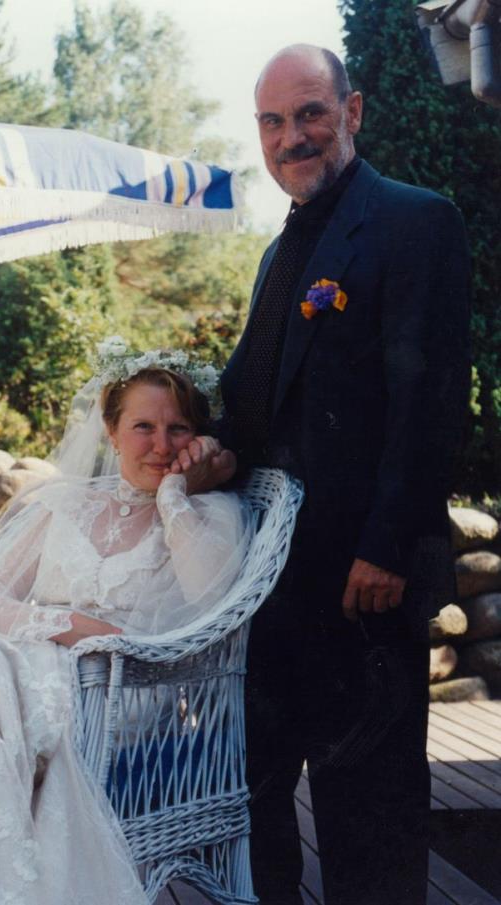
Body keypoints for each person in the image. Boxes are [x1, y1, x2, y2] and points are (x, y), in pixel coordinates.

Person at [218, 45, 472, 905]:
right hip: (274, 590)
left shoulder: (416, 221)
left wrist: (388, 546)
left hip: (366, 585)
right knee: (259, 814)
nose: (293, 137)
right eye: (273, 121)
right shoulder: (274, 256)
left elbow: (431, 404)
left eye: (310, 113)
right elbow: (258, 403)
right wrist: (202, 448)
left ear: (353, 112)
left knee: (370, 825)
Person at [0, 340, 253, 905]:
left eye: (179, 429)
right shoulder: (63, 506)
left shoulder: (211, 515)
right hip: (29, 672)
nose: (161, 446)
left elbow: (207, 613)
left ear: (199, 438)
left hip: (125, 693)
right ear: (111, 432)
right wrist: (67, 623)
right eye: (143, 427)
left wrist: (173, 495)